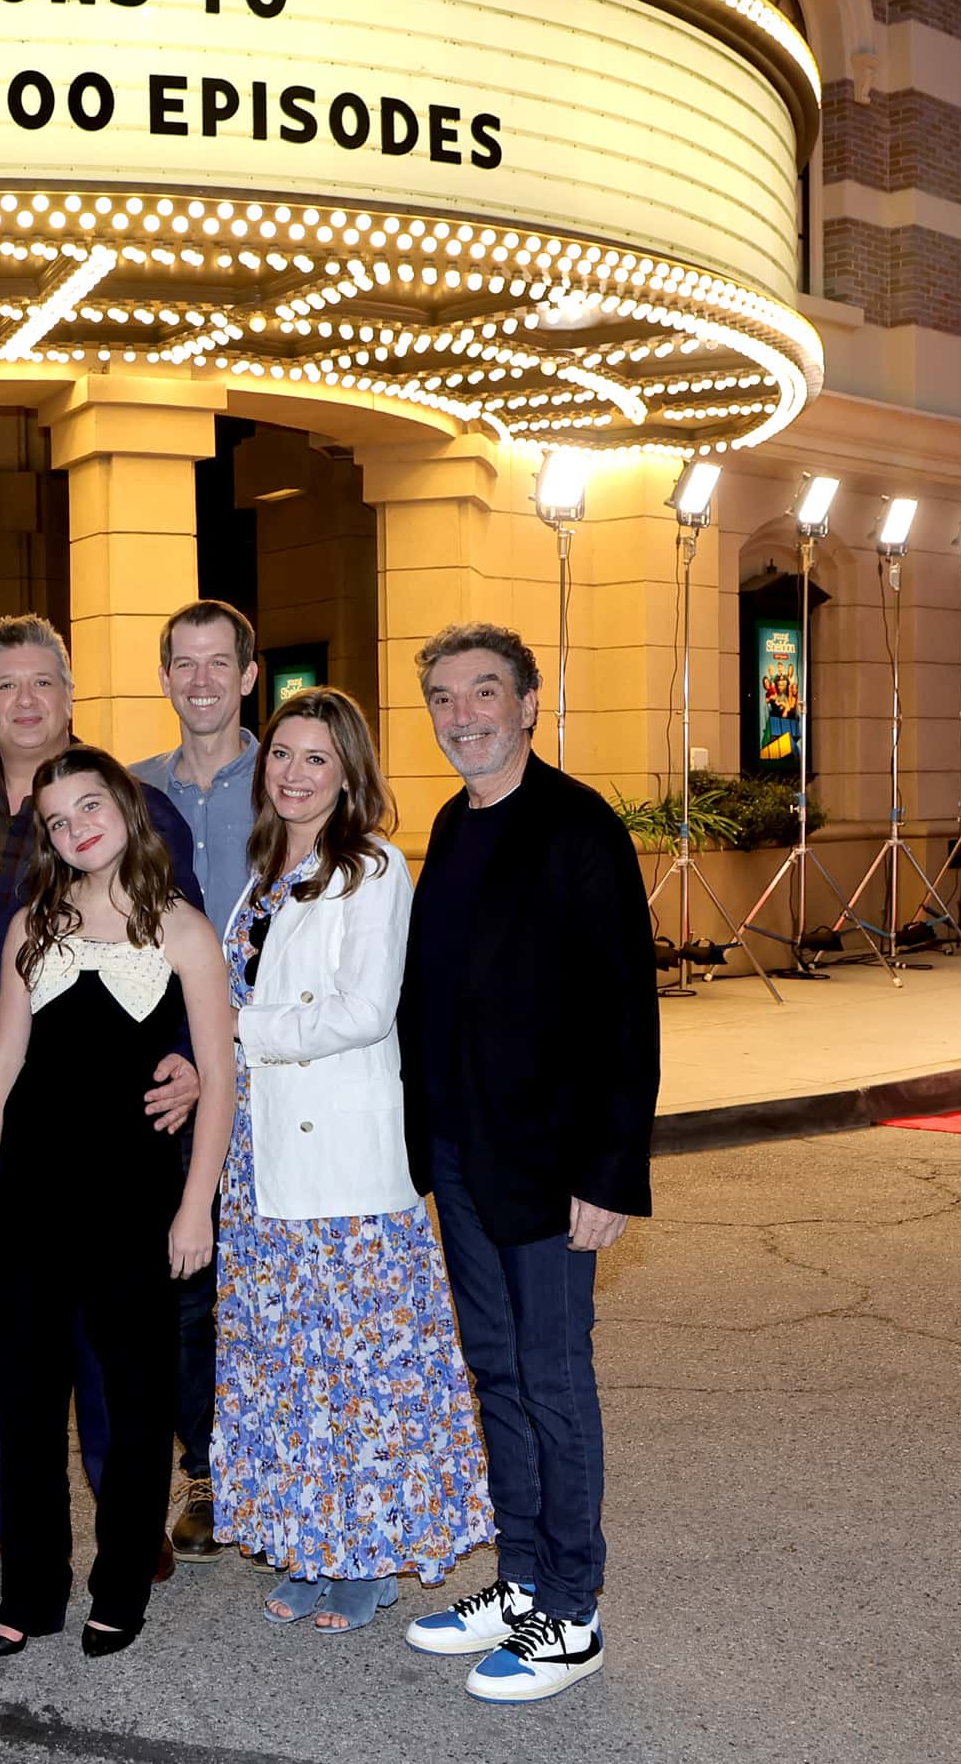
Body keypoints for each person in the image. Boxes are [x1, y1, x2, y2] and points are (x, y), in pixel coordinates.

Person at [0, 614, 204, 1593]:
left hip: (109, 1112)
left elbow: (187, 944)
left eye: (42, 681)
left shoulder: (134, 804)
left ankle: (128, 1507)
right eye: (4, 684)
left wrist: (193, 1060)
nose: (24, 700)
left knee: (112, 1324)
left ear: (69, 694)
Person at [396, 623, 657, 1703]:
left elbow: (623, 1015)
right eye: (446, 697)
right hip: (463, 1152)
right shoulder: (453, 825)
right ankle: (523, 1577)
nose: (464, 714)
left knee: (553, 1377)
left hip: (552, 1164)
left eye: (485, 692)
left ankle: (575, 1607)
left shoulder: (579, 826)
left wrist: (608, 1172)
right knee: (494, 1372)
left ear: (530, 702)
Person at [212, 687, 494, 1634]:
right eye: (282, 754)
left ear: (349, 774)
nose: (293, 773)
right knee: (288, 1364)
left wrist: (238, 1026)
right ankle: (310, 1542)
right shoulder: (265, 870)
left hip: (337, 1156)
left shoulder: (371, 868)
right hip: (259, 1158)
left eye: (315, 759)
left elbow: (366, 1010)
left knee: (361, 1368)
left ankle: (367, 1553)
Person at [0, 746, 233, 1660]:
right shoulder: (32, 923)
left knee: (136, 1398)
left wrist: (196, 1206)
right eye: (57, 819)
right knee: (29, 1400)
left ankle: (119, 1589)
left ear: (124, 803)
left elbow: (221, 1082)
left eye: (89, 805)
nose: (76, 827)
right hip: (32, 1195)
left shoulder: (184, 928)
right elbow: (2, 1062)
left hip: (136, 1201)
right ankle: (30, 1594)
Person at [129, 598, 264, 1562]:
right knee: (187, 1283)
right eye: (185, 663)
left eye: (221, 663)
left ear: (249, 676)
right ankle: (206, 1470)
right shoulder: (128, 792)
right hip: (171, 1074)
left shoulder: (296, 772)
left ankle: (286, 1467)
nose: (203, 680)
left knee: (280, 1281)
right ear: (166, 675)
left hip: (286, 1069)